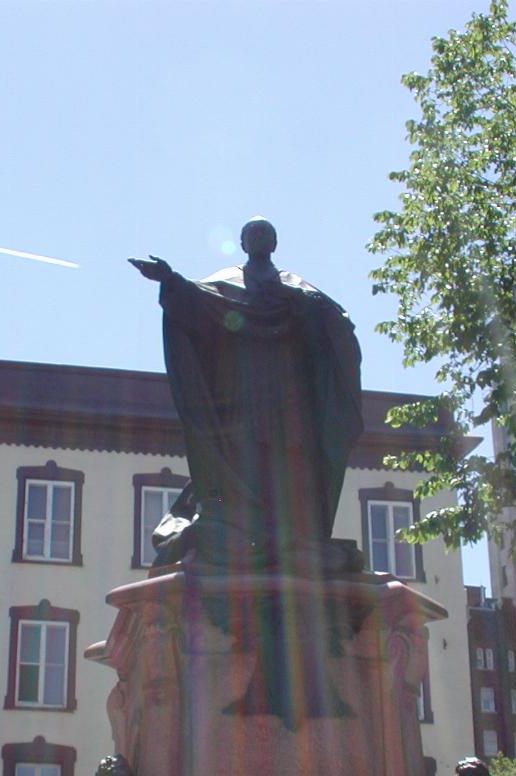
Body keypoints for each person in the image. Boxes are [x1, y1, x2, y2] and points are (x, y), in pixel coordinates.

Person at [129, 218, 362, 574]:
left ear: (275, 242)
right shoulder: (225, 285)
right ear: (242, 243)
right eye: (253, 234)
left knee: (288, 464)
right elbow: (196, 301)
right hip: (241, 393)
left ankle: (291, 536)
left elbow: (336, 323)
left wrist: (296, 300)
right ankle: (247, 532)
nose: (259, 238)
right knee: (244, 460)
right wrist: (171, 280)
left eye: (265, 233)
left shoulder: (297, 288)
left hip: (288, 395)